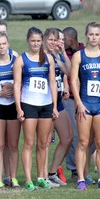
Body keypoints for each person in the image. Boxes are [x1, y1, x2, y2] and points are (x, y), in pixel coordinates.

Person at [13, 26, 58, 191]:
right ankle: (29, 179)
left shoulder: (49, 59)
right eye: (33, 41)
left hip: (45, 105)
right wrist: (19, 108)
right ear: (27, 41)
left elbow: (52, 83)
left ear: (42, 41)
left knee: (43, 143)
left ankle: (41, 177)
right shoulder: (21, 60)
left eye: (39, 41)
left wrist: (54, 105)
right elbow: (17, 85)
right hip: (29, 105)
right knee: (28, 143)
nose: (36, 44)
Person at [71, 22, 100, 190]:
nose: (93, 37)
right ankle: (81, 179)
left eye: (96, 35)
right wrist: (78, 103)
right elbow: (73, 80)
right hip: (84, 104)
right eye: (91, 34)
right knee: (83, 143)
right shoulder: (79, 55)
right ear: (86, 35)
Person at [0, 31, 21, 189]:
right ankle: (0, 179)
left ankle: (13, 178)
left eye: (4, 44)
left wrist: (13, 86)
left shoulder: (16, 60)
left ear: (8, 44)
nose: (1, 47)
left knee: (13, 145)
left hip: (13, 106)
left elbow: (22, 82)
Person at [42, 28, 73, 187]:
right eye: (51, 40)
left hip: (59, 102)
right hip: (44, 103)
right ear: (44, 39)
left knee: (68, 137)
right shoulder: (40, 56)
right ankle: (43, 176)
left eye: (56, 40)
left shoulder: (57, 55)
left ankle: (52, 172)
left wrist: (62, 53)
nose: (54, 43)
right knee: (45, 141)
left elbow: (69, 71)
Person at [62, 27, 87, 181]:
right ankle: (74, 169)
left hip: (89, 99)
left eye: (63, 40)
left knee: (90, 137)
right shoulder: (66, 54)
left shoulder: (83, 52)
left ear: (71, 40)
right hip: (70, 98)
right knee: (75, 135)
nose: (61, 43)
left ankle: (86, 166)